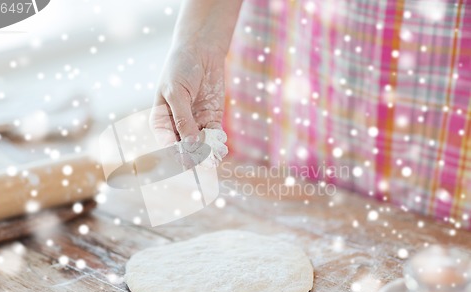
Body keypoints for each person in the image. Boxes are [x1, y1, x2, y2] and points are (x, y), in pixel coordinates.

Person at [152, 0, 471, 229]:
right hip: (301, 41)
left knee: (430, 250)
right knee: (294, 216)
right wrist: (197, 41)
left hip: (442, 52)